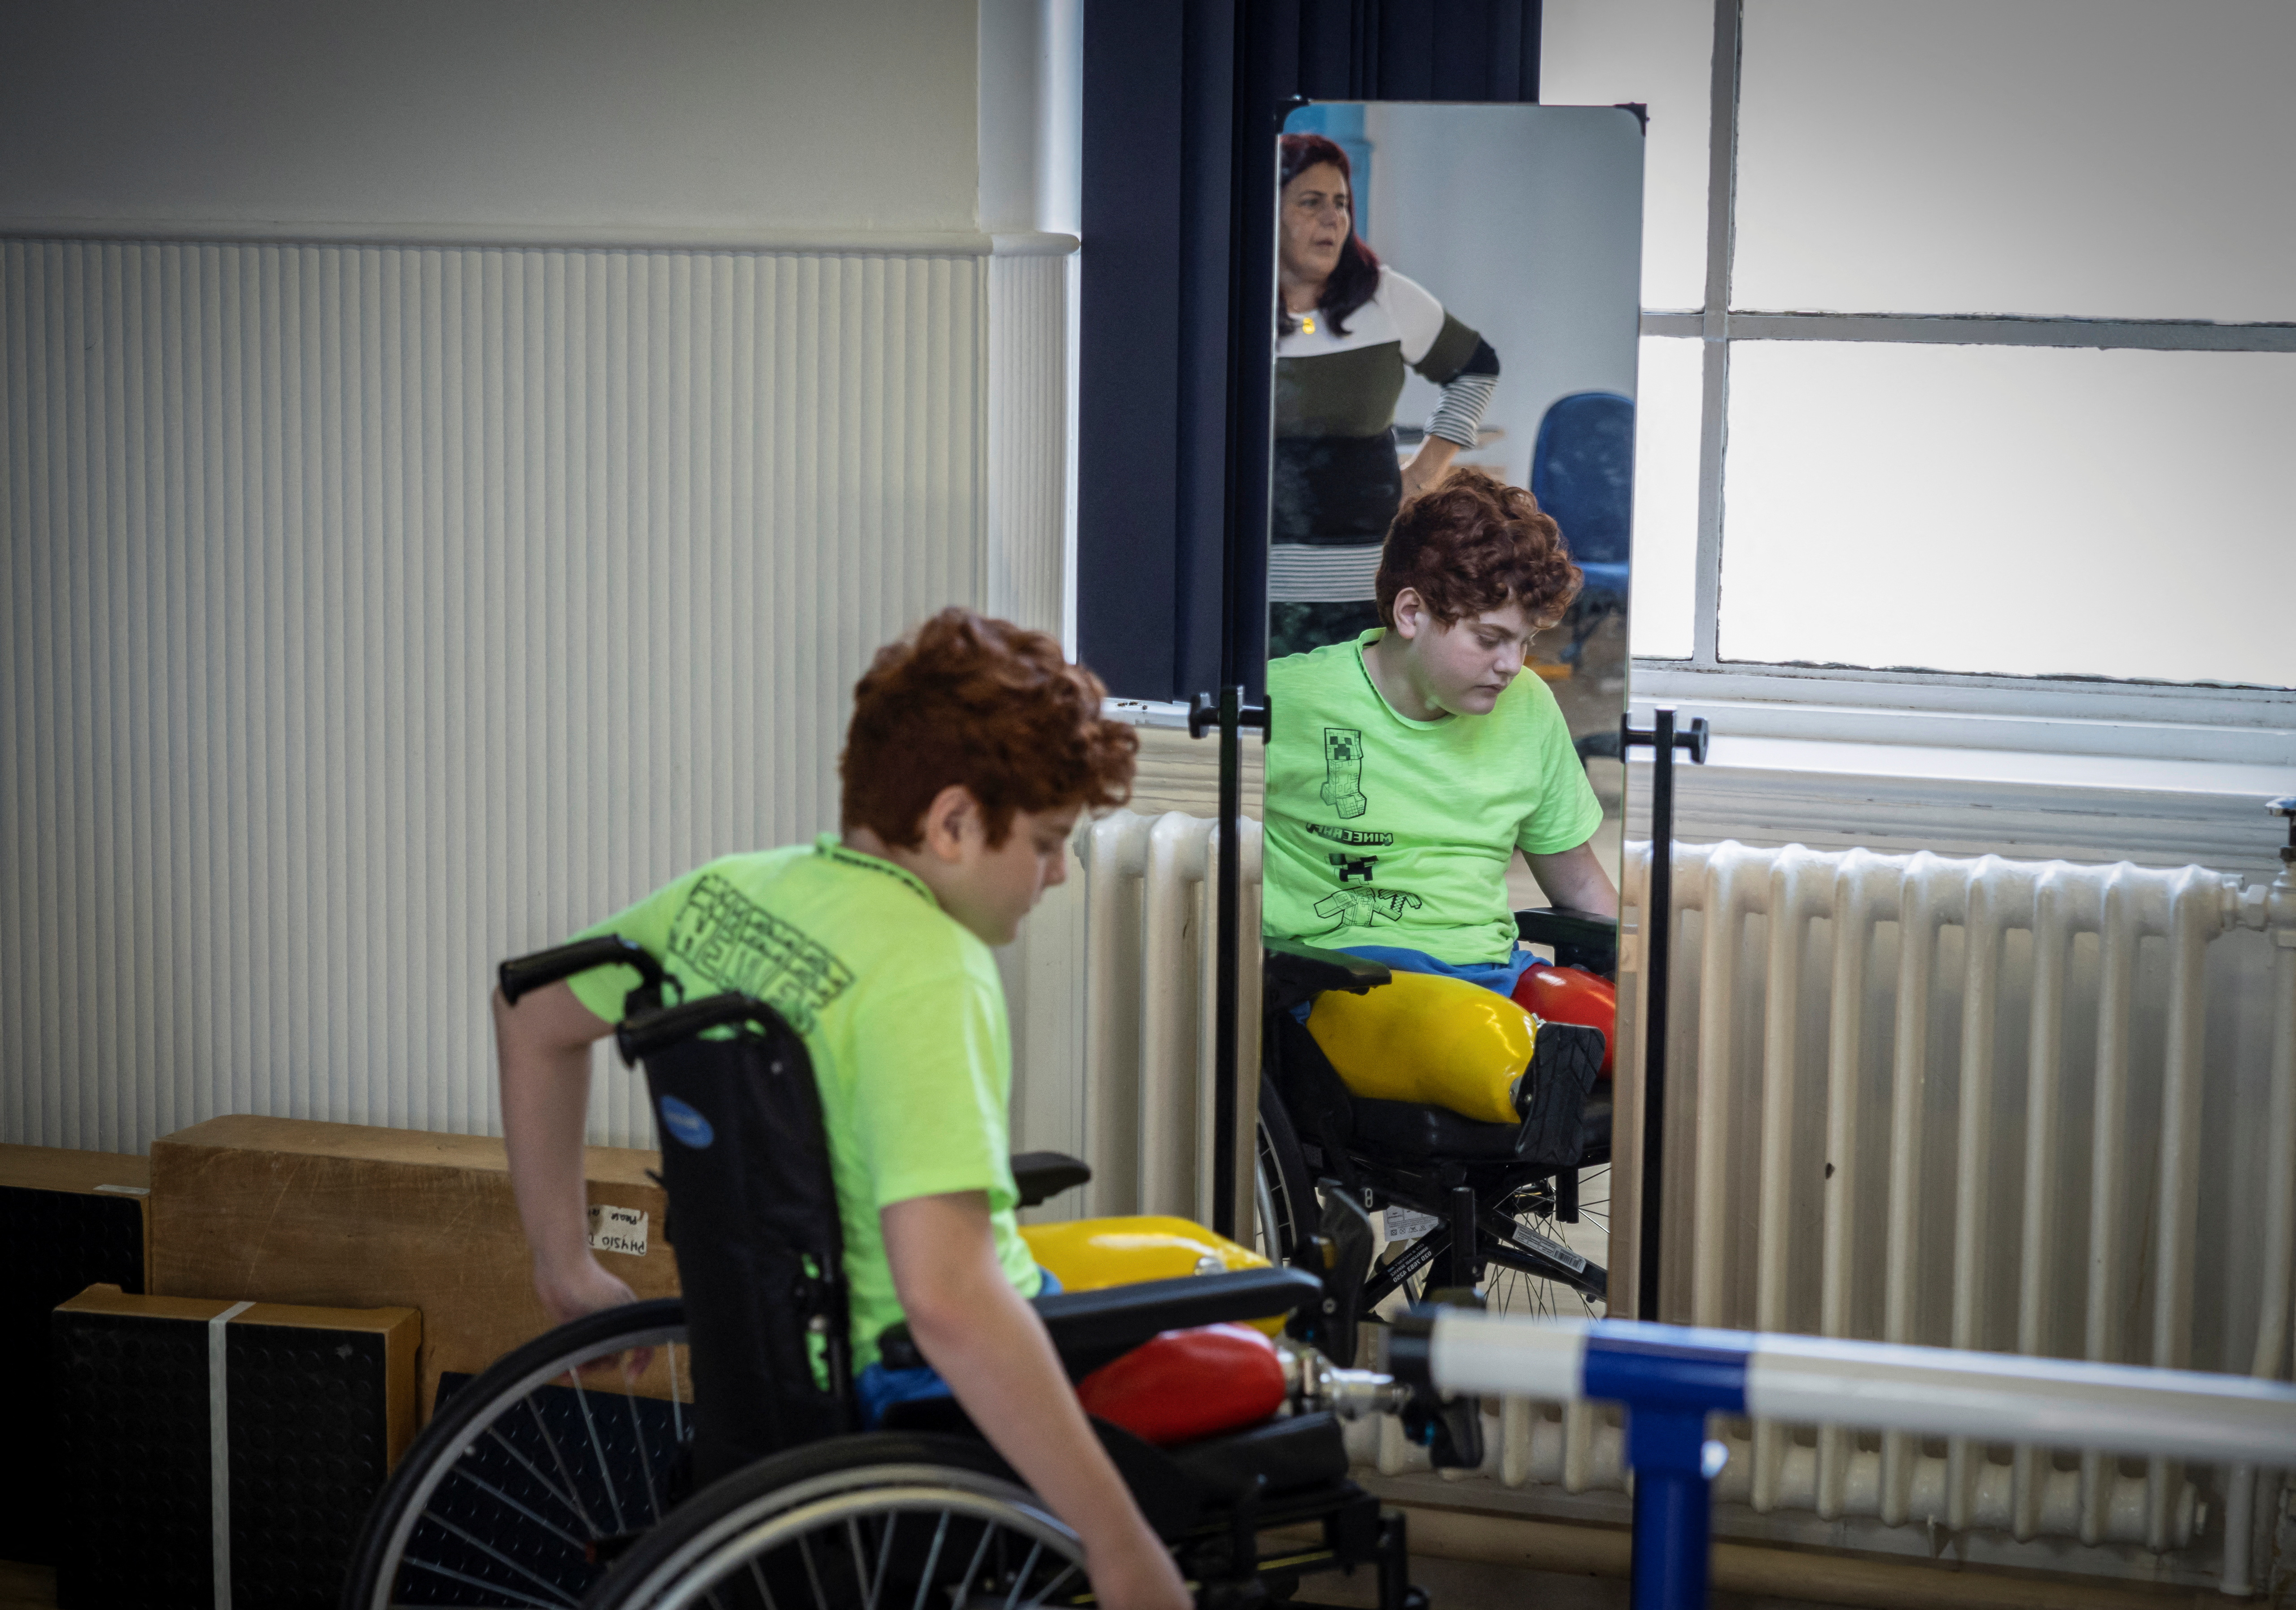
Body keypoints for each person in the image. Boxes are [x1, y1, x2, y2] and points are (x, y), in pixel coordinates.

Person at [490, 609, 1189, 1610]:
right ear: (952, 824)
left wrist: (562, 1262)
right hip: (910, 1395)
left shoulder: (725, 893)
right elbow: (946, 1299)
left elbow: (527, 1014)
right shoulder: (931, 974)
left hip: (766, 1375)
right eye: (1044, 842)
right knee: (1244, 1321)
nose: (1056, 875)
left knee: (1166, 1259)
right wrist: (1117, 1547)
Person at [1263, 469, 1619, 998]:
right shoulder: (1284, 699)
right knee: (1485, 1040)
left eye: (1526, 642)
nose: (1511, 665)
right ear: (1411, 613)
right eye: (1489, 638)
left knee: (1622, 1031)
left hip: (1489, 973)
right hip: (1344, 979)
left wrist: (1644, 980)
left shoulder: (1528, 706)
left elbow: (1581, 881)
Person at [1270, 131, 1503, 660]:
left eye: (1341, 203)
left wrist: (1423, 473)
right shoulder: (1226, 299)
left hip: (1370, 586)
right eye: (1311, 203)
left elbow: (1476, 367)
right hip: (1255, 592)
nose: (1333, 219)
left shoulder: (1385, 297)